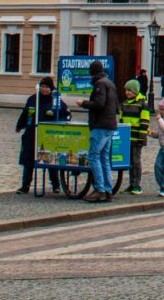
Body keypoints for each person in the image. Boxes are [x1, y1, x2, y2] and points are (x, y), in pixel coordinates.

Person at [14, 76, 70, 194]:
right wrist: (20, 125)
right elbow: (25, 113)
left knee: (50, 159)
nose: (44, 89)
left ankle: (55, 184)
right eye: (42, 86)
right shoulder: (32, 99)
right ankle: (25, 186)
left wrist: (58, 120)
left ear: (51, 88)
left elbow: (65, 113)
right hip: (32, 132)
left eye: (46, 87)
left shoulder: (56, 100)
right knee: (28, 160)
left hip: (48, 134)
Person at [77, 60, 120, 202]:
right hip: (110, 125)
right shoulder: (110, 83)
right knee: (104, 158)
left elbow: (99, 104)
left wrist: (83, 103)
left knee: (94, 156)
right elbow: (116, 106)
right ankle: (108, 190)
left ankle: (99, 189)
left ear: (92, 71)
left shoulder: (100, 84)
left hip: (100, 125)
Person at [119, 79, 150, 195]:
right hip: (127, 137)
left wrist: (141, 137)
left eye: (130, 90)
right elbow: (121, 120)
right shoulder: (125, 103)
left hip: (137, 138)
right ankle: (131, 184)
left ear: (135, 91)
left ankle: (137, 185)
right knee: (130, 161)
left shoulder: (142, 104)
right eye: (126, 90)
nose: (127, 92)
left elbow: (144, 122)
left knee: (136, 161)